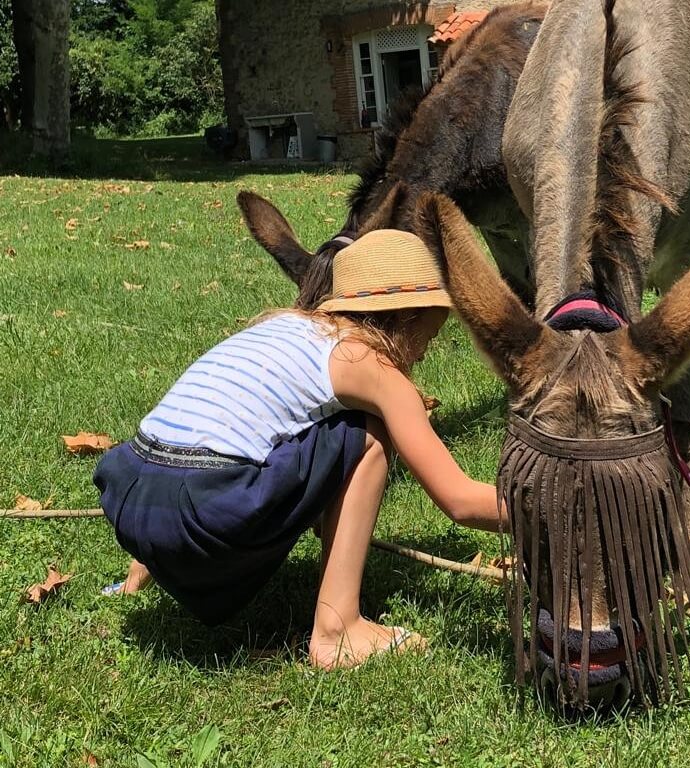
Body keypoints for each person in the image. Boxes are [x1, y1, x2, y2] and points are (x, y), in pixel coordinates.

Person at [94, 229, 502, 670]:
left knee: (280, 432)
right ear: (403, 317)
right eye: (430, 334)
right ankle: (338, 630)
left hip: (131, 498)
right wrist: (561, 507)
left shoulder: (282, 328)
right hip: (204, 512)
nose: (425, 353)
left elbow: (202, 428)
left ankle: (143, 572)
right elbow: (459, 501)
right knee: (368, 435)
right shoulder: (370, 365)